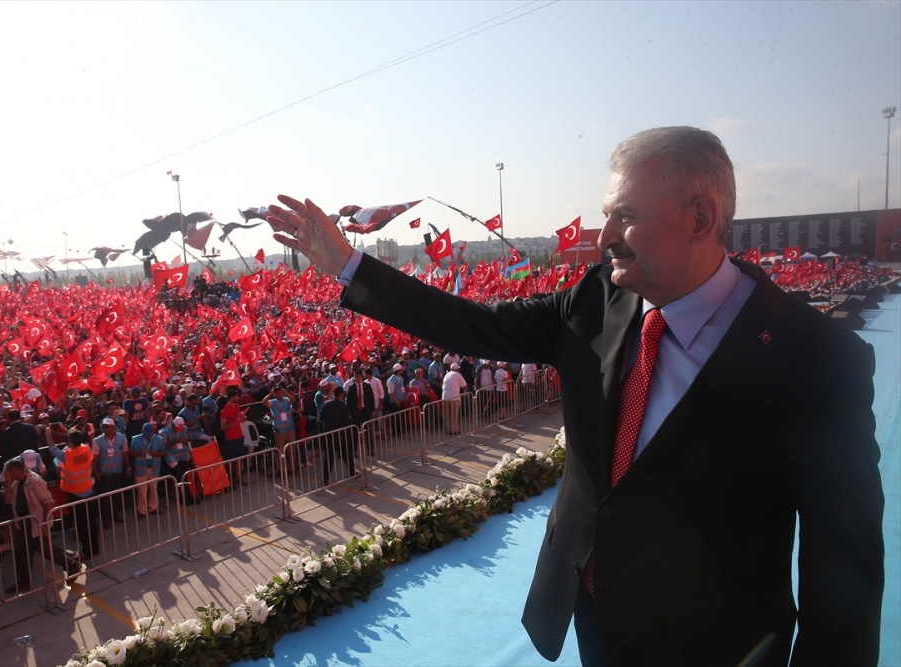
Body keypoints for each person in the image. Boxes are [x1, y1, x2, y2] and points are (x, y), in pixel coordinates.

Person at [266, 126, 884, 665]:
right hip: (594, 617)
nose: (604, 234)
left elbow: (845, 584)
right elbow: (472, 323)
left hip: (718, 648)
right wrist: (348, 264)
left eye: (626, 216)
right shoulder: (599, 299)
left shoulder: (818, 361)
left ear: (701, 216)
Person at [2, 458, 79, 594]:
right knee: (21, 553)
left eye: (8, 473)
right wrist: (8, 484)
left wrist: (45, 524)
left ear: (16, 471)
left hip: (36, 525)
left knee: (47, 551)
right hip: (22, 525)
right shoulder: (15, 483)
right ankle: (23, 582)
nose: (7, 476)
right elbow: (7, 501)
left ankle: (72, 566)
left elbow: (48, 502)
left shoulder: (35, 482)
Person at [50, 430, 99, 561]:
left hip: (75, 495)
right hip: (89, 491)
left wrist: (49, 433)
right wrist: (67, 430)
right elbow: (77, 439)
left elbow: (51, 448)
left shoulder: (66, 455)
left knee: (81, 525)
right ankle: (95, 548)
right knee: (92, 523)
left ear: (69, 442)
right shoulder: (86, 449)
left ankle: (87, 552)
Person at [91, 418, 130, 528]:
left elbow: (125, 454)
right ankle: (106, 519)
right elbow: (94, 458)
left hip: (118, 471)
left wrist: (128, 468)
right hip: (105, 473)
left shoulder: (122, 438)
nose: (105, 429)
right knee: (106, 497)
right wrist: (96, 472)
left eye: (107, 427)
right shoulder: (97, 441)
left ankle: (114, 515)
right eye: (103, 427)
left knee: (116, 495)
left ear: (113, 427)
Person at [318, 387, 354, 485]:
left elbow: (321, 418)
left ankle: (326, 479)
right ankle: (351, 472)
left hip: (328, 434)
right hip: (340, 435)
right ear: (341, 394)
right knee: (346, 454)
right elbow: (348, 421)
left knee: (328, 457)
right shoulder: (343, 406)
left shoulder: (326, 404)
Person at [128, 424, 165, 517]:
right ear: (142, 431)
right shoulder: (135, 439)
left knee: (153, 489)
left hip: (154, 468)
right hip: (141, 470)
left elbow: (163, 451)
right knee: (142, 491)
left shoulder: (158, 439)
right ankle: (142, 511)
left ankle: (153, 508)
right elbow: (131, 452)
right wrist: (139, 452)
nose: (148, 436)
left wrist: (155, 454)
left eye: (150, 434)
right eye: (147, 434)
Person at [441, 362, 467, 436]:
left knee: (446, 414)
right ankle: (453, 430)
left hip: (445, 397)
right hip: (454, 397)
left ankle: (447, 429)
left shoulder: (447, 374)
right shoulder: (458, 374)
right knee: (454, 414)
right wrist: (466, 393)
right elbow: (465, 385)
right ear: (457, 369)